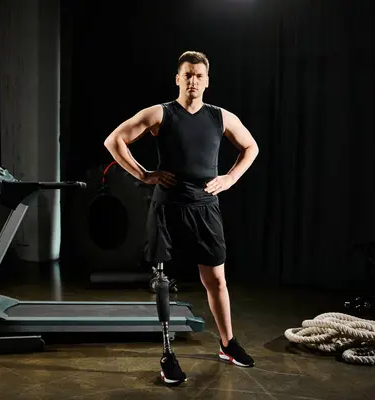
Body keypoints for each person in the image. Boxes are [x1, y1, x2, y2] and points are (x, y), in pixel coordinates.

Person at [103, 51, 259, 385]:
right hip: (167, 207)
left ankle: (228, 344)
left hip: (205, 207)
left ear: (207, 80)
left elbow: (251, 147)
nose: (193, 81)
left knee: (216, 280)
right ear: (178, 78)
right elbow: (114, 140)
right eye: (188, 74)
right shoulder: (161, 114)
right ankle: (167, 354)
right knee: (162, 282)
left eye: (199, 76)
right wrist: (144, 175)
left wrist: (230, 178)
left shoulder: (220, 117)